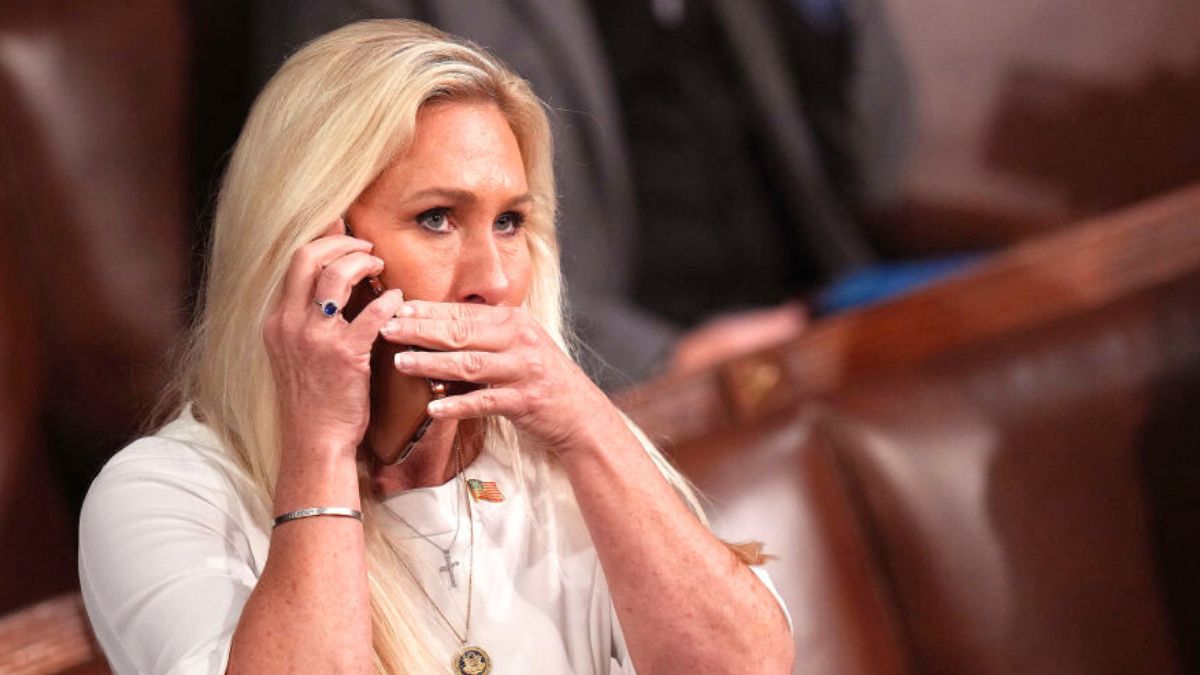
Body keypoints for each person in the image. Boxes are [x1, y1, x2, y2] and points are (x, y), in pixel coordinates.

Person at [79, 20, 793, 674]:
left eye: (510, 222)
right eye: (437, 218)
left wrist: (586, 422)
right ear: (312, 245)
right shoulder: (164, 494)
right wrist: (320, 445)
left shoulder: (563, 456)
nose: (494, 279)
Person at [251, 0, 912, 390]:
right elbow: (358, 229)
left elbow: (878, 170)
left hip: (821, 315)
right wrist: (658, 359)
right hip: (623, 359)